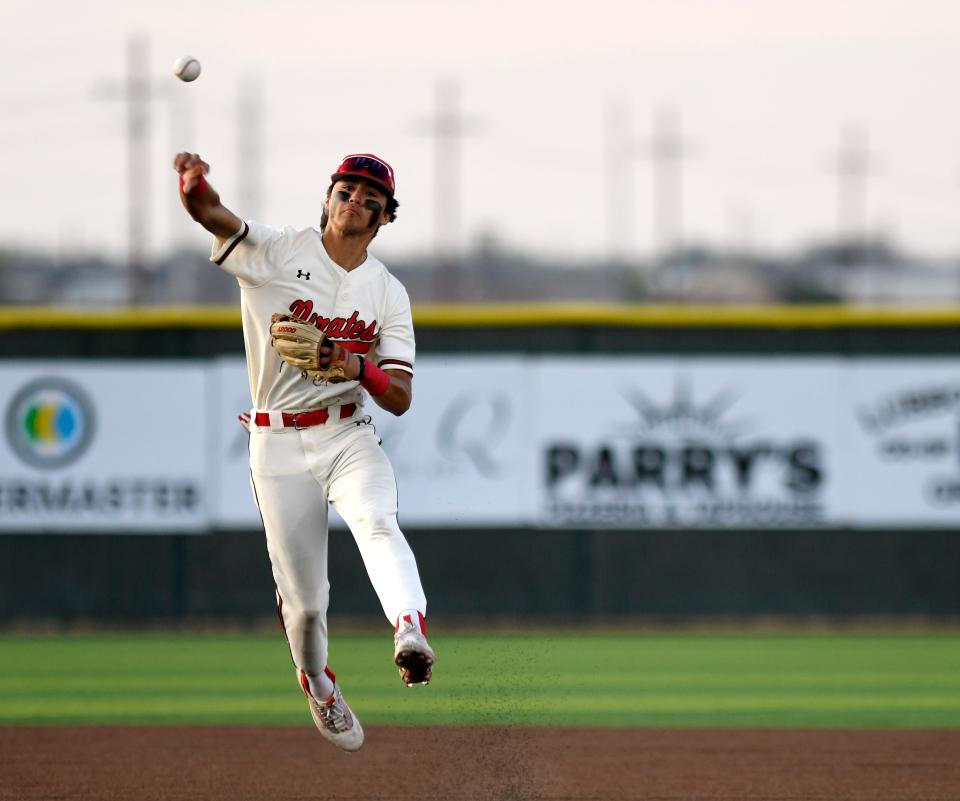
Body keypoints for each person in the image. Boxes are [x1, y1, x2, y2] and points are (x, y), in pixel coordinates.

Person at [173, 151, 435, 753]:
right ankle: (317, 682)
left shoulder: (387, 293)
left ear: (385, 218)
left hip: (346, 431)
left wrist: (352, 364)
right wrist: (193, 186)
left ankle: (410, 630)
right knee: (307, 607)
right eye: (347, 190)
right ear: (327, 197)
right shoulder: (279, 251)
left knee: (376, 519)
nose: (357, 203)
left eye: (372, 199)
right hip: (277, 441)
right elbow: (210, 213)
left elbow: (399, 395)